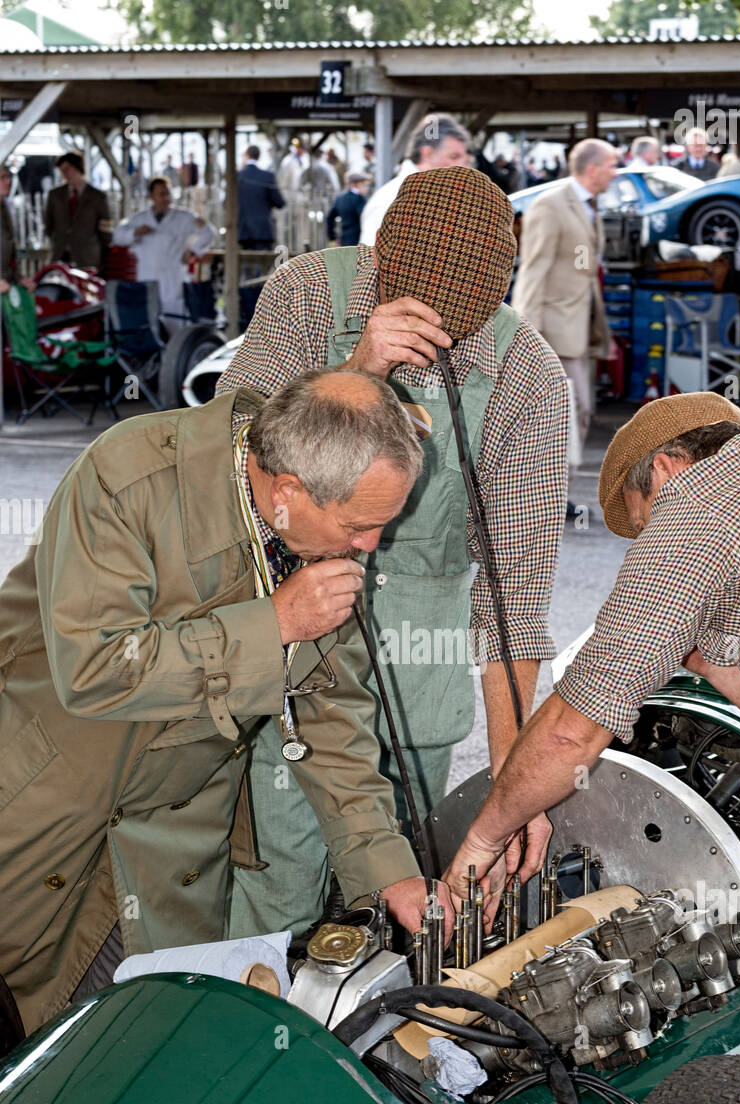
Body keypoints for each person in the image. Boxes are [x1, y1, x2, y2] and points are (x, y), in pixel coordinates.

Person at [0, 366, 454, 1036]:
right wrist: (272, 626)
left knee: (123, 1054)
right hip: (38, 807)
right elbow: (97, 665)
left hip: (173, 848)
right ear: (290, 492)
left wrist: (388, 872)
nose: (370, 546)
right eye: (361, 525)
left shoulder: (316, 543)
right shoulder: (127, 479)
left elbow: (332, 718)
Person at [444, 391, 740, 1104]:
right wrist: (727, 674)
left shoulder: (696, 506)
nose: (650, 547)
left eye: (642, 529)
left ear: (666, 472)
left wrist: (486, 834)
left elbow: (576, 726)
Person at [216, 165, 569, 938]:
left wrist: (514, 792)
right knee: (274, 898)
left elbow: (512, 608)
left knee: (396, 909)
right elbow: (224, 462)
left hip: (417, 685)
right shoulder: (307, 293)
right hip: (290, 662)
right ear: (378, 255)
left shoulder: (527, 380)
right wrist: (356, 373)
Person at [513, 138, 617, 464]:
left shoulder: (588, 207)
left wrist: (598, 328)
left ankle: (562, 489)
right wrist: (527, 334)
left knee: (578, 411)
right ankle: (557, 490)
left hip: (578, 331)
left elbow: (582, 267)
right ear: (592, 169)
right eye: (612, 165)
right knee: (573, 410)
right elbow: (534, 269)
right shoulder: (551, 205)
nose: (616, 173)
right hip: (554, 331)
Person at [112, 176, 215, 330]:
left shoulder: (184, 217)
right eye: (161, 194)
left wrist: (193, 252)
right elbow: (117, 237)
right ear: (151, 197)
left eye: (167, 193)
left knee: (176, 320)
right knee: (149, 322)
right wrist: (136, 232)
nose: (166, 198)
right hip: (147, 277)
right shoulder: (140, 219)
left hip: (173, 276)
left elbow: (208, 233)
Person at [360, 112, 473, 246]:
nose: (463, 167)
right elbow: (369, 261)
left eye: (465, 160)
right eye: (454, 157)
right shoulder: (390, 199)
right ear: (428, 153)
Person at [44, 150, 112, 269]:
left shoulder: (97, 197)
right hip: (60, 255)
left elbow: (105, 231)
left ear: (78, 167)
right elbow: (49, 225)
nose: (64, 173)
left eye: (67, 169)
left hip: (87, 258)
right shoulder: (54, 195)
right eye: (62, 170)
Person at [237, 144, 285, 250]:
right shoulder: (267, 176)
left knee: (245, 263)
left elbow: (226, 203)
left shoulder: (238, 176)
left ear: (246, 156)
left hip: (244, 230)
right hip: (264, 229)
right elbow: (279, 202)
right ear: (258, 156)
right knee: (263, 263)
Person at [326, 173, 370, 246]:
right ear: (353, 185)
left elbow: (329, 218)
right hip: (358, 240)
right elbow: (364, 218)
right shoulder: (359, 199)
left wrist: (332, 238)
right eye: (363, 184)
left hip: (343, 239)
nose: (366, 188)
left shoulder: (340, 198)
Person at [0, 165, 17, 292]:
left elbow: (11, 248)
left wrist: (18, 277)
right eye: (2, 177)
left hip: (7, 284)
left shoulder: (6, 206)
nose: (8, 181)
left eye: (8, 177)